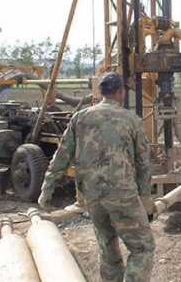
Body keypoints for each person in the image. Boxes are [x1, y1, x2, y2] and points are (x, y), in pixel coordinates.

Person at [38, 72, 155, 282]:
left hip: (92, 196)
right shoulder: (131, 120)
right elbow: (143, 162)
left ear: (100, 92)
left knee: (108, 249)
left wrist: (46, 189)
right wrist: (145, 198)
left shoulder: (80, 117)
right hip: (122, 195)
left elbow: (61, 156)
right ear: (121, 92)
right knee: (142, 249)